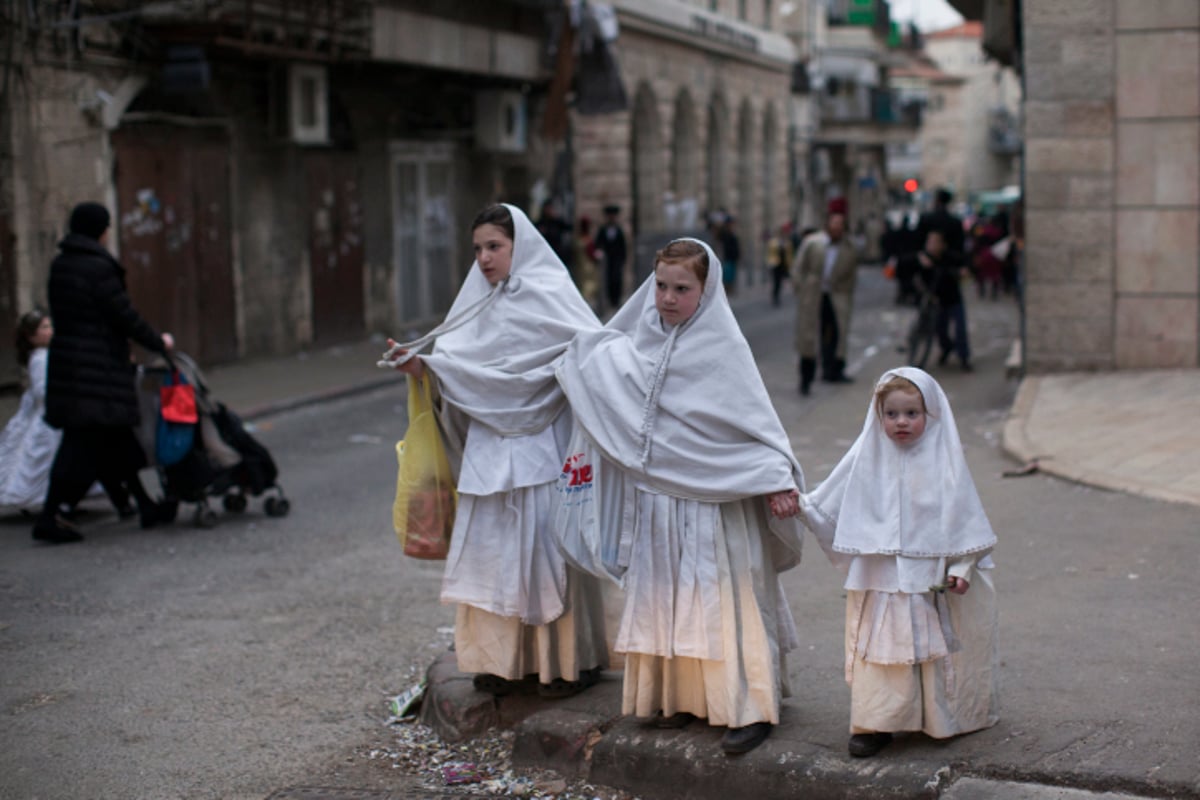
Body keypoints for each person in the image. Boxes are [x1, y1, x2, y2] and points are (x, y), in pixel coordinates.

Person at [555, 238, 806, 755]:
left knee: (720, 599)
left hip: (714, 507)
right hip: (658, 506)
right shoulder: (634, 344)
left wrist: (778, 478)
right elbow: (594, 372)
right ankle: (675, 698)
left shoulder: (724, 350)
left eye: (682, 289)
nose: (668, 299)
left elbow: (756, 428)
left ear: (706, 290)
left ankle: (744, 705)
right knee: (668, 598)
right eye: (661, 286)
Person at [384, 203, 608, 698]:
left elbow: (592, 356)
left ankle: (566, 663)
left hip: (543, 449)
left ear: (518, 247)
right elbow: (456, 372)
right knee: (491, 556)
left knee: (549, 552)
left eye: (495, 247)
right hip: (491, 455)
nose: (485, 259)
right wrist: (422, 369)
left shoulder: (553, 297)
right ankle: (497, 662)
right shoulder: (471, 309)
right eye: (478, 250)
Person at [799, 367, 999, 758]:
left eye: (912, 413)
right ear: (879, 416)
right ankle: (876, 723)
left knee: (933, 649)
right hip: (880, 579)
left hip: (929, 582)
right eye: (891, 414)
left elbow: (967, 529)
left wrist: (959, 571)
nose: (901, 422)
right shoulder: (865, 457)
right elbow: (825, 505)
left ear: (930, 414)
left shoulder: (946, 464)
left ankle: (938, 718)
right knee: (881, 652)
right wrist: (789, 498)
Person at [33, 202, 175, 544]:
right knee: (80, 443)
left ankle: (143, 505)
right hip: (96, 370)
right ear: (100, 229)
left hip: (72, 365)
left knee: (115, 438)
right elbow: (123, 315)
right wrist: (158, 342)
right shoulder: (97, 267)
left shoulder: (61, 265)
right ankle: (51, 515)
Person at [0, 311, 134, 517]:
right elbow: (41, 390)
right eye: (43, 328)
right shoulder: (39, 359)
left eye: (49, 326)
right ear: (31, 336)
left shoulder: (50, 355)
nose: (50, 331)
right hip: (50, 417)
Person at [792, 210, 858, 394]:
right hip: (813, 295)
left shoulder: (849, 248)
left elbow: (851, 276)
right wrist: (801, 289)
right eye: (834, 223)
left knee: (837, 332)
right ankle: (806, 377)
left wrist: (846, 294)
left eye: (840, 224)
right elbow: (798, 268)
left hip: (837, 296)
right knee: (808, 337)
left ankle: (834, 369)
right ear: (827, 224)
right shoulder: (813, 243)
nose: (837, 227)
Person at [906, 230, 972, 371]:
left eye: (936, 242)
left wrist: (961, 271)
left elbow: (964, 265)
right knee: (939, 331)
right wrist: (919, 259)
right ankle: (946, 348)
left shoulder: (950, 258)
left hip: (953, 299)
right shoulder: (923, 258)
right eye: (930, 242)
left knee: (960, 329)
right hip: (935, 303)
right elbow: (903, 265)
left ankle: (964, 358)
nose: (932, 246)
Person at [596, 204, 627, 311]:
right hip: (608, 259)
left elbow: (623, 246)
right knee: (608, 279)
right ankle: (609, 300)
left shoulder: (618, 230)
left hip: (617, 259)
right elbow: (598, 243)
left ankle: (616, 300)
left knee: (617, 279)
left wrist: (623, 259)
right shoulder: (603, 229)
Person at [718, 216, 741, 294]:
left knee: (731, 274)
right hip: (728, 256)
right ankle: (727, 289)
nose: (733, 225)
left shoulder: (731, 233)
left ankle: (730, 289)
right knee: (728, 274)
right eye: (731, 223)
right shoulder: (725, 233)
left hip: (732, 257)